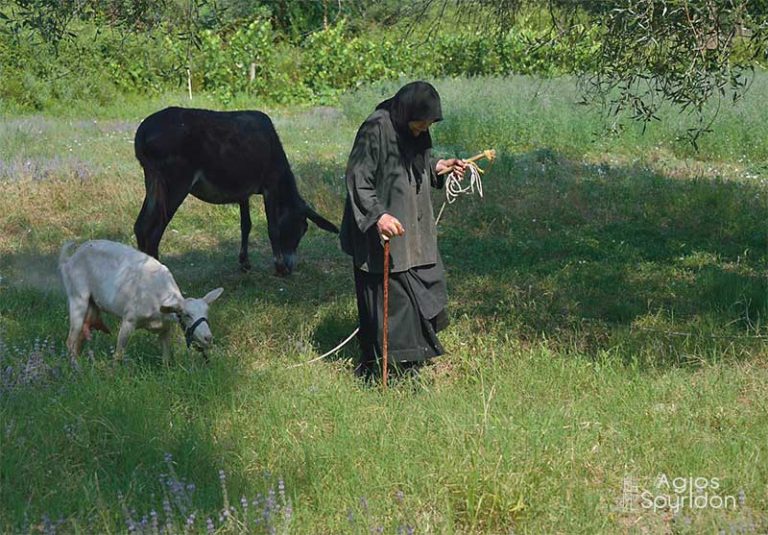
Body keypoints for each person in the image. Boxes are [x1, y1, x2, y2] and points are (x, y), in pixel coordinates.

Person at [340, 81, 466, 379]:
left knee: (428, 281)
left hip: (414, 228)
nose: (423, 129)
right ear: (407, 112)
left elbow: (415, 164)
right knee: (394, 299)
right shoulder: (376, 128)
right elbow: (358, 179)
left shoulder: (411, 127)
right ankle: (391, 368)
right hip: (382, 232)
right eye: (421, 124)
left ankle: (412, 361)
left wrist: (438, 167)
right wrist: (378, 216)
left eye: (428, 125)